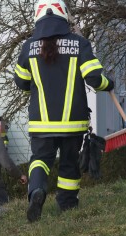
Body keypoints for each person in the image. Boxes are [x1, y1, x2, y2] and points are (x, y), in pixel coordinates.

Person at [14, 0, 114, 222]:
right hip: (73, 122)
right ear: (64, 15)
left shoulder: (28, 46)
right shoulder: (80, 44)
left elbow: (20, 82)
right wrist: (109, 84)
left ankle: (37, 191)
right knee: (69, 162)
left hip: (41, 123)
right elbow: (95, 79)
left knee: (40, 159)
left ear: (37, 17)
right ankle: (67, 205)